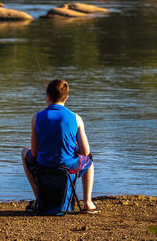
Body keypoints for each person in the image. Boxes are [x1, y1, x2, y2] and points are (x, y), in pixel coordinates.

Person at [21, 79, 97, 213]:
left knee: (24, 152)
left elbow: (34, 153)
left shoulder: (36, 117)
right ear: (66, 97)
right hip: (68, 167)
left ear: (48, 96)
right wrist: (74, 149)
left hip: (43, 166)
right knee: (89, 160)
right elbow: (85, 152)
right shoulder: (76, 118)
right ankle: (88, 203)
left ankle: (39, 199)